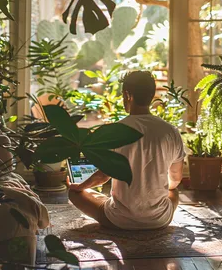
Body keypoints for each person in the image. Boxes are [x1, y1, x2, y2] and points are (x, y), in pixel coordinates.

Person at [67, 71, 185, 230]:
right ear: (152, 95)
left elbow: (103, 176)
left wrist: (78, 187)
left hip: (119, 220)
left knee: (74, 194)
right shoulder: (171, 131)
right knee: (173, 192)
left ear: (128, 95)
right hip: (159, 219)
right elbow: (175, 179)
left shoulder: (115, 131)